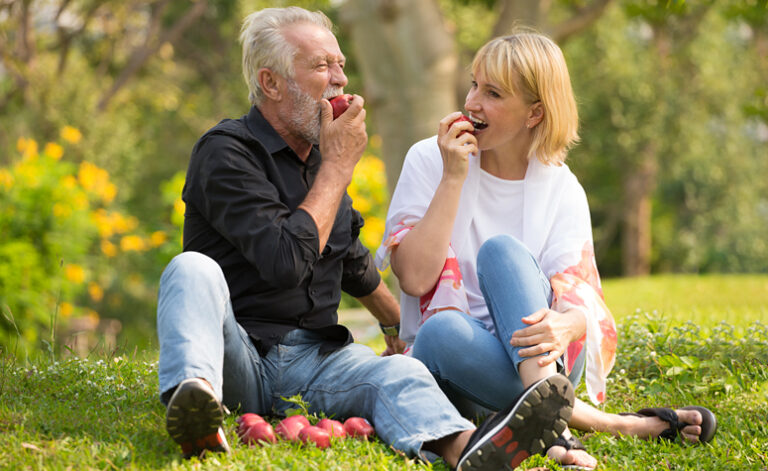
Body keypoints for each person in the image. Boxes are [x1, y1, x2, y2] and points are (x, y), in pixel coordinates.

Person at [156, 7, 576, 470]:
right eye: (321, 66)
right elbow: (284, 262)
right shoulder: (227, 152)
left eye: (340, 64)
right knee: (190, 269)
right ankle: (196, 400)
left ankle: (467, 450)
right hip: (237, 354)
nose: (340, 79)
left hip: (316, 361)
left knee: (400, 370)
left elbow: (352, 261)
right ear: (271, 83)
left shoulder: (320, 157)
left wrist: (397, 327)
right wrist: (338, 166)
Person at [375, 32, 717, 470]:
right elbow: (416, 279)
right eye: (474, 84)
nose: (472, 102)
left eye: (493, 93)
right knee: (439, 330)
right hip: (457, 364)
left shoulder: (561, 187)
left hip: (542, 359)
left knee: (502, 253)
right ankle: (600, 425)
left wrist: (566, 326)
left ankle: (545, 421)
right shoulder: (430, 160)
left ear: (535, 112)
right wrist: (453, 178)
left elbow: (583, 303)